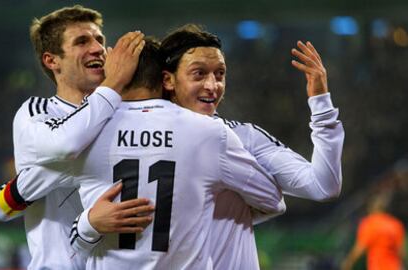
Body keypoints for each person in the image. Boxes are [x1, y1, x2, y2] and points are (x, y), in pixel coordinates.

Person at [73, 24, 344, 269]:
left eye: (220, 74)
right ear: (168, 79)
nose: (212, 86)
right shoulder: (120, 140)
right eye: (199, 74)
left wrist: (320, 103)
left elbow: (323, 185)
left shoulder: (242, 136)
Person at [0, 5, 153, 269]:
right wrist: (113, 85)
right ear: (51, 60)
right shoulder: (36, 113)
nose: (97, 48)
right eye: (82, 41)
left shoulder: (124, 112)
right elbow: (67, 144)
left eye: (99, 39)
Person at [341, 192, 405, 270]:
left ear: (372, 208)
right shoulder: (396, 224)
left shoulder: (370, 223)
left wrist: (348, 262)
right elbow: (401, 252)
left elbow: (360, 248)